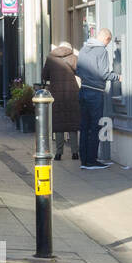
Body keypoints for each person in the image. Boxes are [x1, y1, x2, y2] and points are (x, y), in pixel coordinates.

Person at [74, 28, 119, 169]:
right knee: (95, 126)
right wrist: (118, 77)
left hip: (84, 90)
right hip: (96, 93)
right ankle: (92, 160)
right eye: (108, 42)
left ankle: (84, 161)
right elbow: (104, 73)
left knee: (84, 126)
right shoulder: (102, 51)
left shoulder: (83, 49)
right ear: (106, 39)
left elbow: (78, 70)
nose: (107, 45)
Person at [41, 41, 80, 160]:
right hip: (72, 93)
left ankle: (58, 153)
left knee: (59, 123)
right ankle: (75, 152)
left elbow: (44, 76)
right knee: (72, 123)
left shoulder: (50, 58)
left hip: (56, 93)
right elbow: (79, 72)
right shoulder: (73, 57)